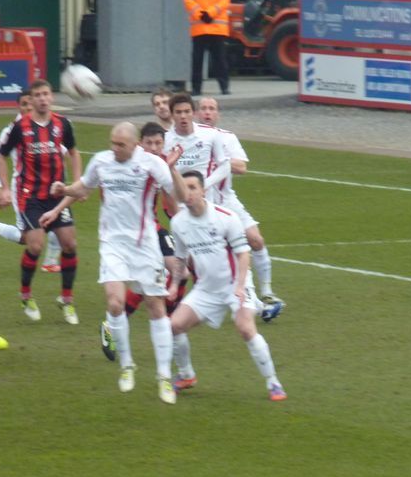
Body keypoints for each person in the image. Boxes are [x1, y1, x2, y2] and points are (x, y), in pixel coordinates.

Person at [43, 122, 186, 404]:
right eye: (113, 143)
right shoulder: (102, 161)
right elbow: (83, 186)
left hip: (144, 246)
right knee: (114, 303)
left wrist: (171, 167)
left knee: (156, 308)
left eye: (120, 144)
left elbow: (180, 195)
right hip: (112, 245)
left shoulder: (151, 164)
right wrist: (63, 190)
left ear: (134, 145)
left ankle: (163, 377)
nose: (115, 148)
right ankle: (127, 365)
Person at [0, 79, 82, 324]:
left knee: (70, 243)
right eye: (37, 95)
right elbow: (0, 156)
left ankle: (67, 300)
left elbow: (73, 152)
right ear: (32, 100)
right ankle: (26, 295)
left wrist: (77, 183)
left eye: (45, 94)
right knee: (35, 245)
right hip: (30, 196)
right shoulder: (20, 127)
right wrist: (4, 188)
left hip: (57, 195)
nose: (41, 98)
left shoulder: (62, 124)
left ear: (51, 97)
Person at [168, 172, 287, 401]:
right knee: (174, 325)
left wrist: (241, 287)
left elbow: (243, 254)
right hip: (206, 289)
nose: (189, 192)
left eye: (193, 187)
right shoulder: (179, 223)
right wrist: (174, 284)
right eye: (185, 188)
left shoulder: (226, 216)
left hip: (235, 284)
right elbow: (180, 258)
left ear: (203, 191)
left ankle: (273, 382)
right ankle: (186, 375)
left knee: (245, 328)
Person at [101, 122, 189, 359]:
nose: (153, 147)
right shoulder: (128, 164)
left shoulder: (159, 166)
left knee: (181, 274)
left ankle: (166, 316)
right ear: (140, 144)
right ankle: (115, 323)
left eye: (158, 143)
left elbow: (173, 206)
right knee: (147, 280)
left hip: (153, 230)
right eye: (149, 143)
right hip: (126, 235)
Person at [196, 96, 285, 309]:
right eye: (204, 109)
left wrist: (220, 159)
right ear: (197, 113)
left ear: (218, 114)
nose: (208, 112)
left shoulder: (227, 137)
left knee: (256, 239)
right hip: (203, 203)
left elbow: (242, 167)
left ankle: (267, 292)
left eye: (212, 109)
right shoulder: (192, 138)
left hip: (227, 199)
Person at [163, 92, 231, 193]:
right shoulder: (165, 139)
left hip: (204, 199)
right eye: (178, 112)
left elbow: (225, 165)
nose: (183, 116)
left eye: (187, 111)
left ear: (194, 113)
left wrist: (205, 184)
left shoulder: (210, 134)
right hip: (177, 199)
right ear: (172, 115)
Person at [183, 0, 231, 96]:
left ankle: (224, 87)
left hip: (216, 30)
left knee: (220, 60)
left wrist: (209, 13)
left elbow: (225, 0)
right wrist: (202, 15)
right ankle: (196, 89)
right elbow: (187, 1)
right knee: (197, 61)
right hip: (201, 30)